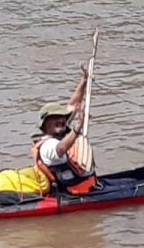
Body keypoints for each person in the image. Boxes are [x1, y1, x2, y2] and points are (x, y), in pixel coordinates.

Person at [31, 63, 97, 195]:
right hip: (72, 193)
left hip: (88, 185)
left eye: (62, 117)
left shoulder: (59, 129)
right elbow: (61, 149)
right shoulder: (47, 146)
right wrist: (78, 127)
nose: (61, 120)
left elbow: (73, 104)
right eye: (56, 118)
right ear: (45, 124)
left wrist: (84, 80)